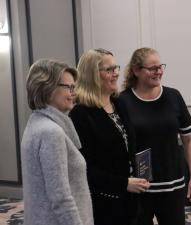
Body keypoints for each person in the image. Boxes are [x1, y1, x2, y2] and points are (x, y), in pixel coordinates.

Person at [119, 47, 191, 225]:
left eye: (160, 66)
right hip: (139, 187)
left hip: (173, 185)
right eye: (152, 68)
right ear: (136, 70)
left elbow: (188, 139)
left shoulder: (173, 96)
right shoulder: (122, 101)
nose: (159, 71)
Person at [69, 48, 150, 225]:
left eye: (116, 68)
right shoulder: (80, 115)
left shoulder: (119, 104)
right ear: (92, 75)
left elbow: (129, 148)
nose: (116, 74)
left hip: (131, 199)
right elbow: (84, 168)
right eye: (109, 70)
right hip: (104, 203)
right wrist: (123, 184)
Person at [21, 59, 94, 225]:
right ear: (47, 88)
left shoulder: (37, 123)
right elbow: (60, 197)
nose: (73, 93)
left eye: (73, 87)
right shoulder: (51, 132)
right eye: (68, 87)